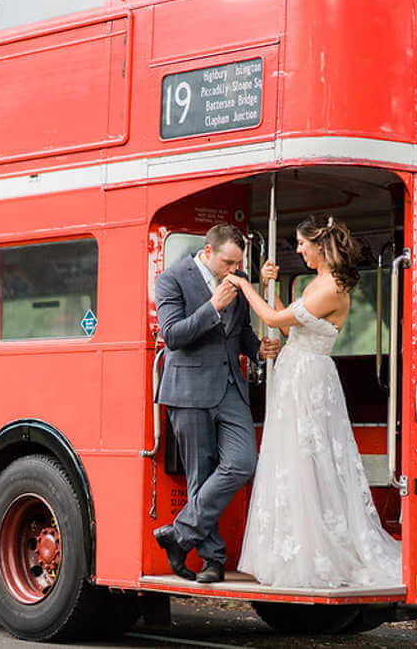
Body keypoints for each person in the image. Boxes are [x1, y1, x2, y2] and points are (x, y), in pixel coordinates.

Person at [225, 214, 401, 588]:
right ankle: (292, 548)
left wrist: (246, 284)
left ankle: (314, 551)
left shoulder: (331, 287)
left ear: (320, 246)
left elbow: (271, 317)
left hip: (309, 378)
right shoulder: (317, 283)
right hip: (296, 373)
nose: (298, 249)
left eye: (302, 243)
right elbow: (288, 326)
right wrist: (270, 287)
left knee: (308, 457)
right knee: (290, 457)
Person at [153, 224, 280, 583]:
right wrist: (213, 306)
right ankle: (212, 560)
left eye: (239, 263)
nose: (234, 269)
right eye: (228, 262)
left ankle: (179, 534)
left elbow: (239, 334)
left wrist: (258, 350)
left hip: (230, 389)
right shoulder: (171, 279)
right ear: (207, 251)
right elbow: (173, 336)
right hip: (188, 391)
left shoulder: (238, 281)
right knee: (200, 475)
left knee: (243, 463)